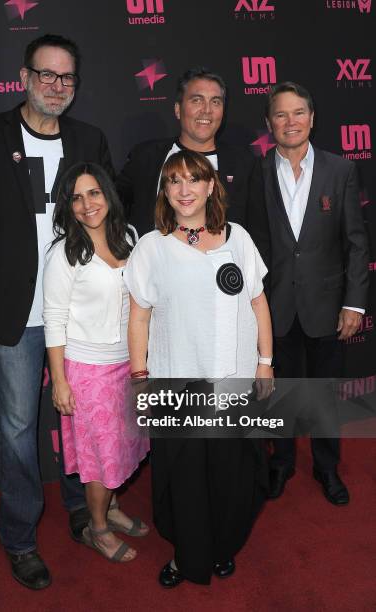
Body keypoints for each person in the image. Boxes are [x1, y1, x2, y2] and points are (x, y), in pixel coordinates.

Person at [0, 34, 114, 589]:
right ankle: (20, 538)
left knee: (80, 417)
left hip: (82, 311)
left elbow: (109, 222)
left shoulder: (89, 138)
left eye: (66, 78)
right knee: (19, 428)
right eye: (46, 74)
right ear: (23, 76)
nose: (56, 86)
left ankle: (80, 508)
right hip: (14, 313)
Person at [124, 150, 273, 587]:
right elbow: (139, 317)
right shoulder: (152, 247)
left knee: (232, 475)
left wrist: (265, 363)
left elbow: (259, 302)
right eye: (174, 181)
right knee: (186, 480)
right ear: (164, 191)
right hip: (179, 387)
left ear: (211, 185)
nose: (185, 190)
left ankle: (223, 546)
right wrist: (139, 377)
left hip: (235, 382)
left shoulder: (238, 238)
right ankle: (187, 556)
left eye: (194, 179)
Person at [248, 81, 369, 504]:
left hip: (327, 306)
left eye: (298, 112)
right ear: (269, 123)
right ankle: (280, 464)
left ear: (312, 119)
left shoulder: (340, 170)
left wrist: (354, 302)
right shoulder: (256, 171)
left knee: (323, 396)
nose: (290, 121)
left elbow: (356, 240)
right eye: (280, 114)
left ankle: (326, 467)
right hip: (274, 306)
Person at [43, 162, 149, 563]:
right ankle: (97, 528)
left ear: (108, 195)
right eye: (76, 197)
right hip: (87, 371)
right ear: (67, 205)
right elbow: (53, 319)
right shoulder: (64, 253)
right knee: (102, 458)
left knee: (123, 449)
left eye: (94, 193)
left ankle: (113, 508)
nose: (87, 204)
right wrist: (59, 381)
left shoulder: (129, 236)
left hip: (130, 364)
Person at [116, 67, 261, 237]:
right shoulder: (145, 157)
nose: (207, 110)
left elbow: (258, 232)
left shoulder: (243, 163)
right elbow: (111, 208)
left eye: (215, 102)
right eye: (197, 100)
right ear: (178, 109)